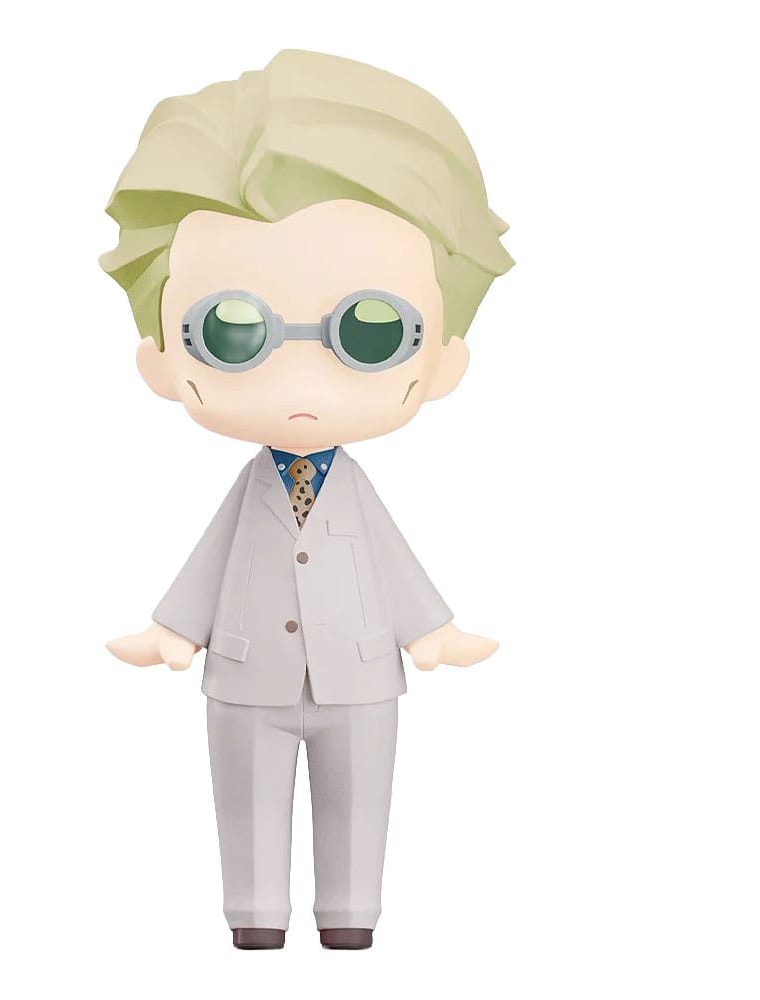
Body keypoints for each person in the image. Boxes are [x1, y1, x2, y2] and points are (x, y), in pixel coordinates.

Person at [101, 48, 513, 950]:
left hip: (360, 678)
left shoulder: (353, 492)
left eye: (370, 331)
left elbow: (392, 563)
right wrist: (175, 630)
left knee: (361, 803)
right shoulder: (249, 491)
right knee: (244, 805)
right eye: (232, 331)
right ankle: (253, 920)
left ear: (442, 359)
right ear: (162, 362)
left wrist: (431, 632)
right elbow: (212, 559)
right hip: (245, 678)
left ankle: (350, 918)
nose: (299, 383)